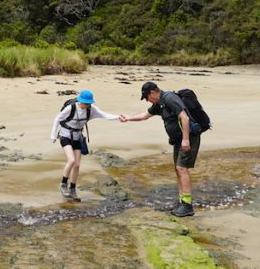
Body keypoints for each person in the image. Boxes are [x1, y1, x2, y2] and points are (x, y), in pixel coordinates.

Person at [121, 81, 200, 216]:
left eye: (146, 97)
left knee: (182, 168)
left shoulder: (169, 99)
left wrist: (186, 140)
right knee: (178, 169)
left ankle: (187, 205)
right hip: (178, 141)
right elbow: (144, 116)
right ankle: (182, 201)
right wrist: (128, 118)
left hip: (188, 138)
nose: (147, 100)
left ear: (153, 92)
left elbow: (184, 118)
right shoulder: (159, 104)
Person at [50, 89, 119, 202]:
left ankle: (72, 189)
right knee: (71, 160)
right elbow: (58, 118)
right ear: (79, 100)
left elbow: (104, 115)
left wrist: (118, 117)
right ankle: (63, 185)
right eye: (85, 103)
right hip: (65, 136)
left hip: (78, 137)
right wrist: (53, 135)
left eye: (88, 103)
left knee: (77, 165)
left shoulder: (91, 109)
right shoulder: (71, 108)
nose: (86, 105)